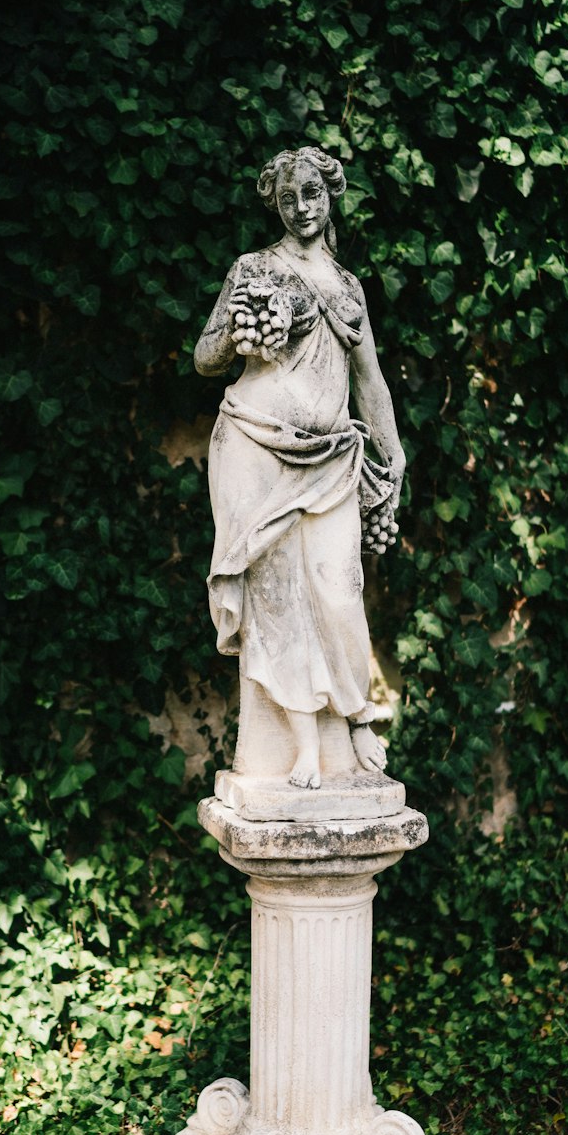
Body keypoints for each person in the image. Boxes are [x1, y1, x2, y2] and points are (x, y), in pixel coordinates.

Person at [194, 146, 406, 790]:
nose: (302, 208)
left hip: (333, 456)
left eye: (312, 193)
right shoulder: (255, 269)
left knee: (338, 586)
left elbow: (370, 380)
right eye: (289, 198)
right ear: (276, 204)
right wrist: (240, 329)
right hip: (255, 446)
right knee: (279, 600)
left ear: (330, 193)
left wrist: (392, 453)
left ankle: (358, 712)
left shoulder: (347, 287)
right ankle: (305, 747)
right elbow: (206, 356)